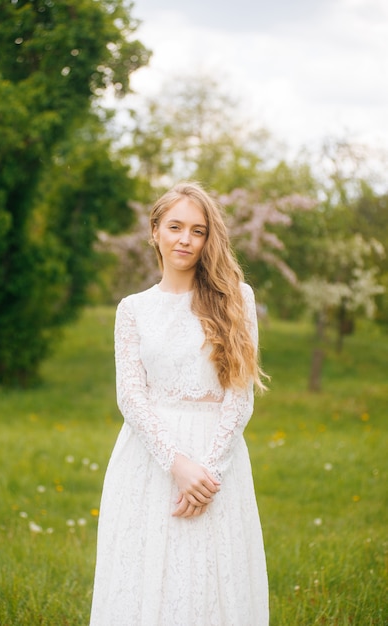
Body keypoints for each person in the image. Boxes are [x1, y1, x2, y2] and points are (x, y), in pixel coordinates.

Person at [90, 181, 269, 625]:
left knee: (211, 576)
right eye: (175, 227)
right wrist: (178, 465)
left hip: (217, 458)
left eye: (198, 231)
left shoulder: (235, 299)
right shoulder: (132, 309)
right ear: (154, 232)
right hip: (150, 459)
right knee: (147, 575)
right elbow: (131, 396)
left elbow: (239, 393)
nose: (185, 240)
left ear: (209, 239)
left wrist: (207, 471)